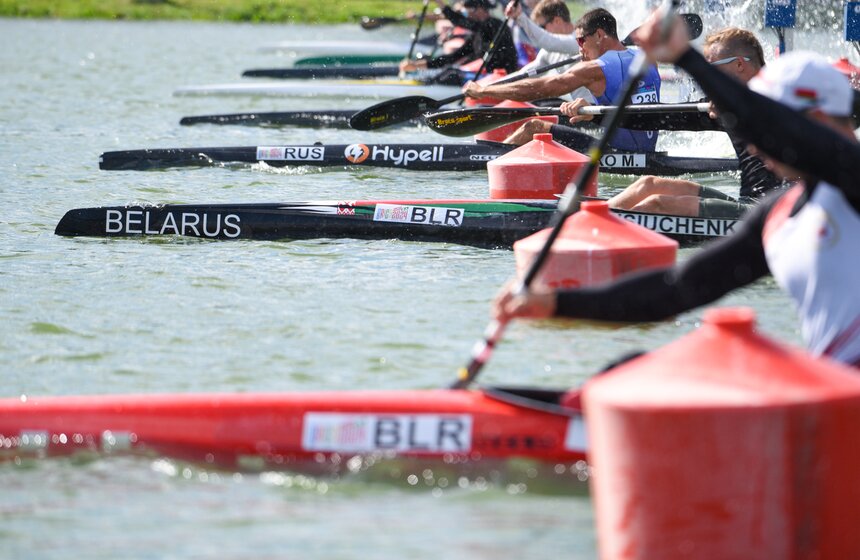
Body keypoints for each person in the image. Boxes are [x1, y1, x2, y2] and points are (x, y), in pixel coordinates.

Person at [492, 13, 860, 367]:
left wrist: (686, 57)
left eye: (762, 127)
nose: (756, 146)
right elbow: (677, 289)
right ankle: (592, 222)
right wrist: (557, 303)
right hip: (835, 398)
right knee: (628, 365)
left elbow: (806, 141)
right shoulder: (781, 215)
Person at [608, 27, 786, 218]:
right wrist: (595, 115)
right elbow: (659, 117)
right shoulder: (725, 107)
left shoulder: (782, 96)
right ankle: (592, 215)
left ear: (739, 65)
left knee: (657, 204)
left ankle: (603, 227)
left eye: (712, 70)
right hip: (746, 203)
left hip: (772, 213)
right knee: (648, 185)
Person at [462, 8, 660, 153]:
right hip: (648, 151)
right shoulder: (648, 59)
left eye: (581, 41)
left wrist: (485, 91)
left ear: (599, 35)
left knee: (534, 127)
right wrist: (592, 112)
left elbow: (542, 88)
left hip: (616, 152)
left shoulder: (595, 68)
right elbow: (627, 102)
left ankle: (488, 159)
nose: (580, 48)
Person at [400, 0, 519, 77]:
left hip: (504, 75)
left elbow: (460, 21)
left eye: (469, 11)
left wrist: (440, 3)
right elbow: (452, 58)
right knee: (449, 73)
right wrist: (416, 65)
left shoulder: (495, 25)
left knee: (453, 75)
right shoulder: (477, 36)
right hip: (487, 76)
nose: (468, 15)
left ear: (481, 9)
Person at [505, 0, 594, 103]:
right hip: (576, 108)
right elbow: (524, 75)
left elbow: (545, 40)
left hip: (595, 109)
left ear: (557, 21)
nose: (541, 31)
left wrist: (520, 17)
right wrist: (488, 87)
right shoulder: (548, 51)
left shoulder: (579, 41)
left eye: (541, 27)